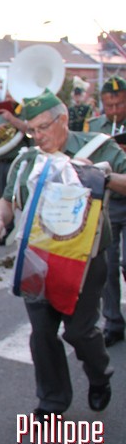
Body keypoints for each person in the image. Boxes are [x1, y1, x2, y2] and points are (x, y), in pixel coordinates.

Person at [0, 89, 126, 417]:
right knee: (43, 334)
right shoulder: (27, 161)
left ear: (63, 120)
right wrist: (0, 221)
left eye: (44, 127)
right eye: (32, 130)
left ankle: (99, 375)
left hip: (85, 260)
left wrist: (104, 176)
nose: (38, 136)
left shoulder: (98, 147)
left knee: (79, 331)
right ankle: (52, 400)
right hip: (38, 258)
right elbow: (7, 199)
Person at [87, 76, 126, 346]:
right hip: (109, 202)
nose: (114, 110)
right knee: (107, 265)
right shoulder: (94, 127)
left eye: (120, 104)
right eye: (109, 105)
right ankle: (113, 321)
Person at [0, 94, 31, 245]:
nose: (9, 99)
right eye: (7, 95)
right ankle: (7, 229)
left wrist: (12, 119)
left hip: (19, 160)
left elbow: (30, 131)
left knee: (22, 197)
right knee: (4, 196)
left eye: (12, 96)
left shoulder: (24, 111)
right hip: (2, 161)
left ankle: (25, 230)